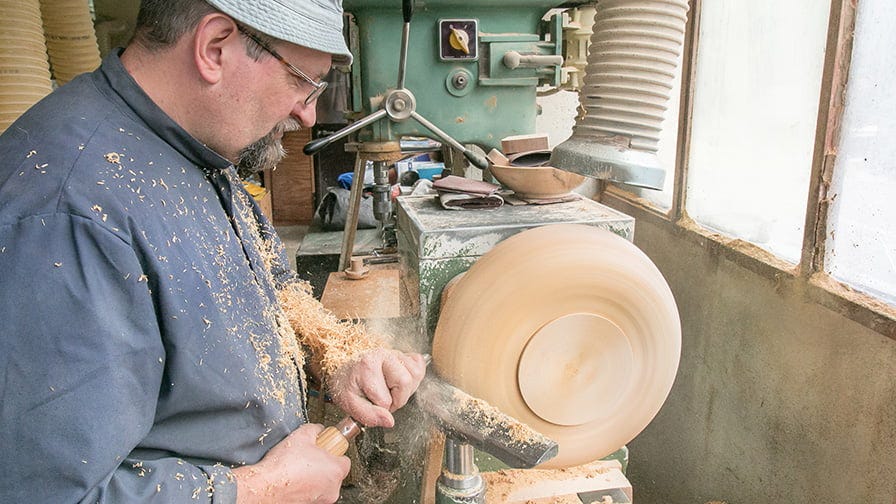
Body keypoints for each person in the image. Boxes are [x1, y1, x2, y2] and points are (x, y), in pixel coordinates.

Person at [0, 0, 427, 502]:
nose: (307, 112)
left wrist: (336, 356)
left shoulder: (198, 146)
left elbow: (272, 289)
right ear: (214, 47)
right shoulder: (66, 214)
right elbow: (43, 493)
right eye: (303, 81)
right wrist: (266, 489)